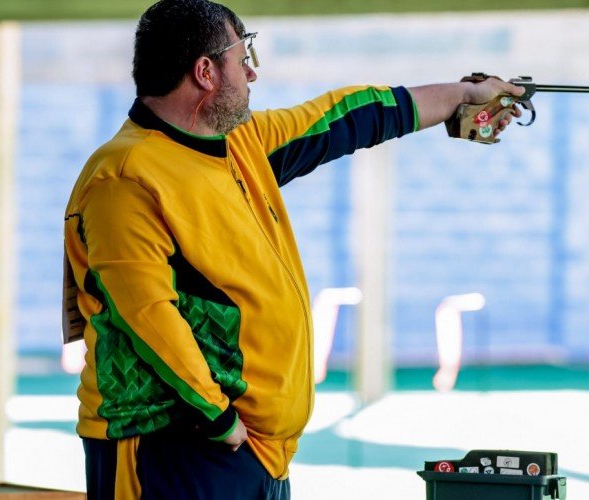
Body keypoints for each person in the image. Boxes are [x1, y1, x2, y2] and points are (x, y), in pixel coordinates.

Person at [62, 0, 524, 498]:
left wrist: (464, 96)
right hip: (172, 446)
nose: (252, 74)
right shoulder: (125, 176)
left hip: (252, 452)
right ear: (205, 72)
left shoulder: (238, 145)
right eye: (243, 59)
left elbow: (346, 117)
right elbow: (147, 315)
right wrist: (219, 420)